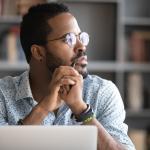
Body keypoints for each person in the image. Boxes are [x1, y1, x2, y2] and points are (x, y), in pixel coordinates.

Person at [0, 3, 135, 150]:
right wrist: (43, 108)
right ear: (38, 52)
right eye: (68, 39)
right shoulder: (3, 94)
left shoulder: (102, 92)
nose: (81, 46)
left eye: (81, 37)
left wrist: (82, 111)